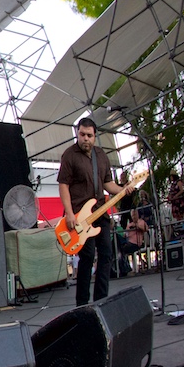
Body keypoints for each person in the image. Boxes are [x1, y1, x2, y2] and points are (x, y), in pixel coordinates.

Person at [58, 118, 135, 306]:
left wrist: (123, 190)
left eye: (89, 136)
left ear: (95, 136)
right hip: (78, 215)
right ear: (77, 133)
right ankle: (82, 304)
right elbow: (63, 185)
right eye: (82, 135)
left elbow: (108, 183)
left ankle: (101, 301)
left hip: (100, 212)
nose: (86, 139)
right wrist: (68, 213)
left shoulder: (101, 155)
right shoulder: (70, 155)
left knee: (107, 254)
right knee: (87, 256)